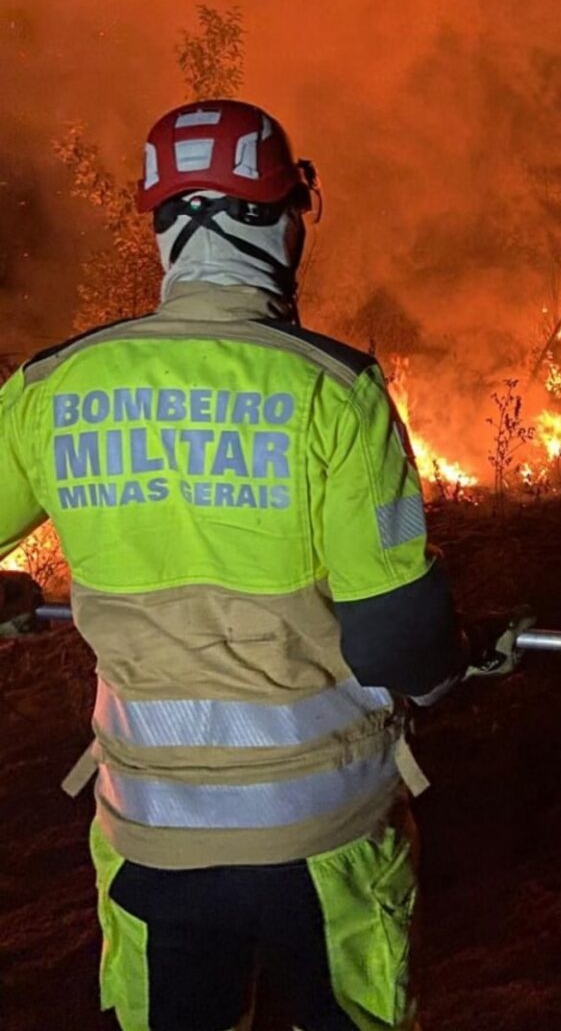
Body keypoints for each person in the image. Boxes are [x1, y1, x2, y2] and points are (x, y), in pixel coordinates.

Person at [0, 98, 530, 1031]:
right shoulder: (335, 390)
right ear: (288, 218)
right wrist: (461, 658)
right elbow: (400, 642)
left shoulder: (51, 389)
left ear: (160, 224)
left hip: (153, 846)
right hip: (322, 844)